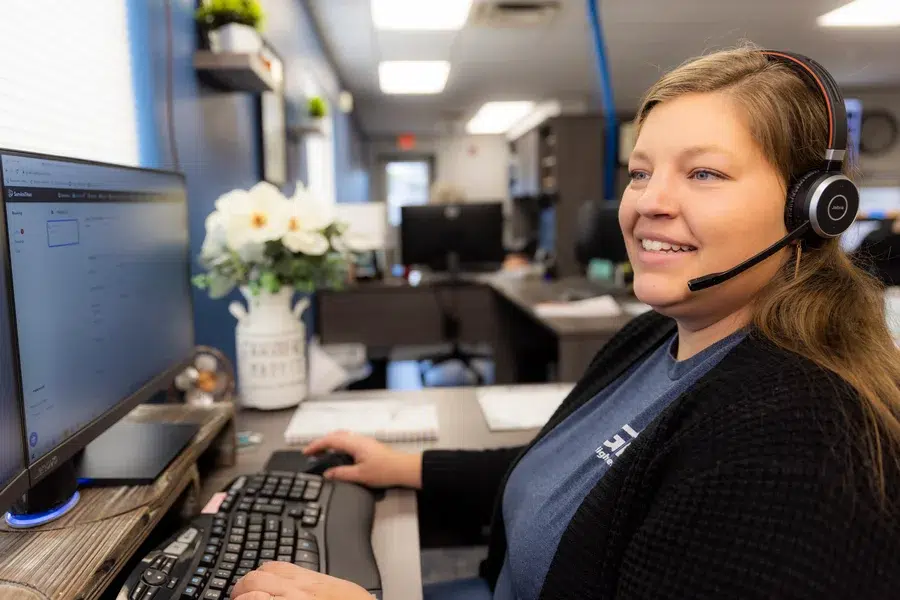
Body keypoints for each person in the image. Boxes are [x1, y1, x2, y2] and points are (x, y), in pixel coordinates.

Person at [232, 45, 900, 600]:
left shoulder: (803, 443)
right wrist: (407, 466)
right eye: (639, 173)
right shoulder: (658, 335)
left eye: (702, 173)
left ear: (816, 209)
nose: (648, 203)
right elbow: (574, 472)